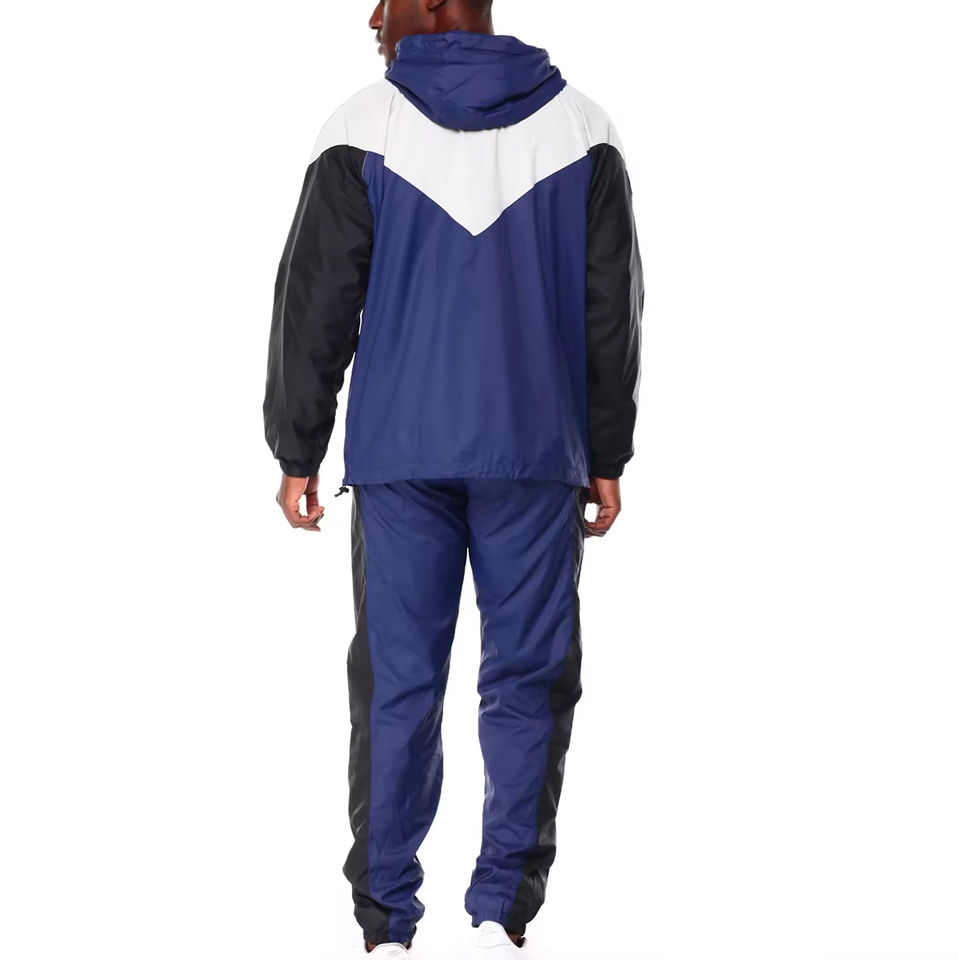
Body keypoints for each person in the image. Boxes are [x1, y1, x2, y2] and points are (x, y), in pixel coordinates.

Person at [262, 0, 643, 955]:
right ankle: (501, 911)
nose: (372, 14)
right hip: (535, 451)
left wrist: (297, 446)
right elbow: (612, 310)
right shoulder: (581, 127)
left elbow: (315, 301)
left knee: (397, 684)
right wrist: (605, 452)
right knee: (528, 680)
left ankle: (386, 919)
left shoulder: (363, 124)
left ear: (433, 2)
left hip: (401, 454)